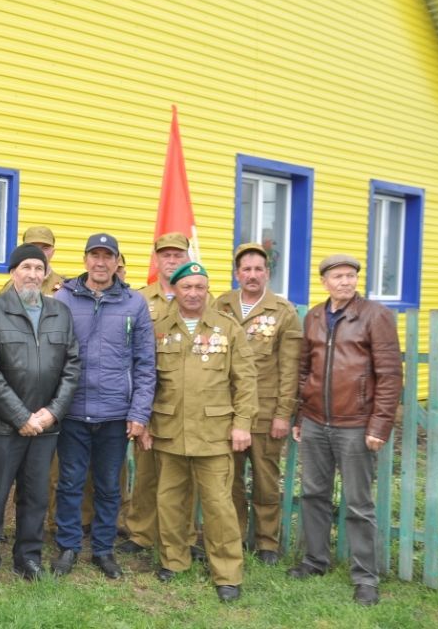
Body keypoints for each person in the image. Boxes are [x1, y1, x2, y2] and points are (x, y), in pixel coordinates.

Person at [288, 254, 401, 606]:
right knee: (313, 495)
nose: (345, 282)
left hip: (356, 424)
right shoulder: (314, 317)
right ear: (324, 281)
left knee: (359, 503)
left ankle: (365, 577)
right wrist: (300, 416)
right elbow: (305, 370)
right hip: (316, 422)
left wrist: (379, 425)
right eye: (338, 276)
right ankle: (315, 560)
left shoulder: (375, 316)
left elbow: (389, 375)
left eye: (351, 276)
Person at [0, 244, 80, 590]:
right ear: (12, 272)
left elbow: (72, 366)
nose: (33, 274)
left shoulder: (59, 312)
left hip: (46, 425)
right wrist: (20, 415)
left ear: (46, 274)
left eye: (39, 268)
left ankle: (28, 556)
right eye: (26, 267)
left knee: (35, 496)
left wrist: (51, 413)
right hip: (3, 426)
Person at [147, 262, 257, 602]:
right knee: (169, 501)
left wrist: (242, 424)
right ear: (175, 290)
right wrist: (146, 423)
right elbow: (145, 379)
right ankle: (174, 560)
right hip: (170, 430)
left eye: (200, 287)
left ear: (207, 290)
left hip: (214, 433)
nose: (193, 293)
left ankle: (227, 573)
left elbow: (246, 380)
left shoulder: (228, 328)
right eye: (186, 287)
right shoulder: (159, 328)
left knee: (219, 506)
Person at [50, 234, 155, 580]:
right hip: (72, 410)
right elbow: (51, 355)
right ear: (85, 260)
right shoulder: (63, 298)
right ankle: (68, 546)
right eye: (94, 255)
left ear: (116, 262)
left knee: (110, 485)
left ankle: (104, 549)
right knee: (70, 482)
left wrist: (139, 413)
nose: (100, 262)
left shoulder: (133, 303)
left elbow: (144, 362)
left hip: (114, 413)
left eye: (107, 256)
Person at [214, 243, 302, 563]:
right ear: (238, 273)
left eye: (258, 269)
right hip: (226, 410)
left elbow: (290, 368)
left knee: (265, 480)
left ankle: (267, 543)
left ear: (267, 273)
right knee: (229, 479)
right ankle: (233, 537)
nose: (252, 275)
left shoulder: (283, 311)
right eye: (246, 269)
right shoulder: (221, 304)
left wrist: (284, 413)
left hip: (265, 412)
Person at [120, 232, 202, 558]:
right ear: (156, 259)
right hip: (147, 399)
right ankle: (140, 533)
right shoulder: (138, 300)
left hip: (186, 402)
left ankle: (184, 536)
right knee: (146, 472)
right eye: (165, 255)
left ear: (187, 258)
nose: (171, 260)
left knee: (185, 475)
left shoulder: (198, 299)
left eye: (178, 255)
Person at [0, 226, 66, 295]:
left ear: (52, 252)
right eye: (33, 247)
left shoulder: (63, 287)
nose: (39, 252)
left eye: (45, 248)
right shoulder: (11, 286)